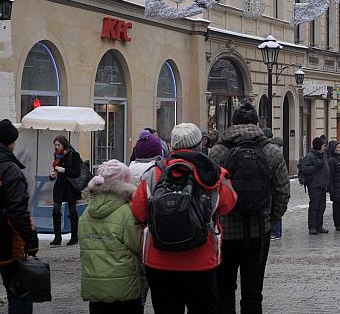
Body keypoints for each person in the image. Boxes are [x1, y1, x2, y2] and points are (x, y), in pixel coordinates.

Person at [130, 122, 237, 314]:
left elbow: (138, 211)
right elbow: (228, 204)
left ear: (172, 146)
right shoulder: (212, 174)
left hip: (159, 260)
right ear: (200, 144)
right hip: (201, 260)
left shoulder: (153, 174)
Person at [208, 101, 290, 314]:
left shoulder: (217, 152)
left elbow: (208, 192)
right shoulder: (271, 151)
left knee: (224, 288)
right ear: (257, 123)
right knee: (253, 291)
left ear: (233, 123)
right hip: (258, 231)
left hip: (225, 232)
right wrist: (270, 219)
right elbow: (282, 191)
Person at [79, 160, 144, 314]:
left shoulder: (86, 213)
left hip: (95, 286)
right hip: (124, 287)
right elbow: (138, 245)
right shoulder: (126, 212)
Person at [0, 119, 38, 314]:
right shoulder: (10, 169)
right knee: (19, 293)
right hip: (7, 241)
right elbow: (17, 211)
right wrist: (30, 240)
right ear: (10, 143)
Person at [49, 134, 83, 246]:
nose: (57, 147)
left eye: (58, 145)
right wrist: (53, 175)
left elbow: (77, 172)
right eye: (55, 145)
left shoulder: (73, 154)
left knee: (72, 211)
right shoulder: (57, 155)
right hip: (59, 186)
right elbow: (56, 170)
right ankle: (57, 237)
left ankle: (74, 237)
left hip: (70, 187)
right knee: (56, 210)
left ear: (64, 144)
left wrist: (64, 170)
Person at [300, 137, 331, 235]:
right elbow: (304, 170)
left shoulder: (323, 155)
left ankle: (319, 226)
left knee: (322, 206)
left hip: (323, 185)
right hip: (314, 185)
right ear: (319, 146)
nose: (325, 147)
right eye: (323, 145)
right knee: (314, 206)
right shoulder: (309, 156)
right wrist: (315, 167)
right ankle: (312, 227)